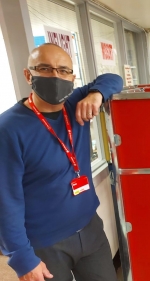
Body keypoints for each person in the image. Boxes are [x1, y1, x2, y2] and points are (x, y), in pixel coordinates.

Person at [0, 43, 123, 281]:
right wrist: (22, 259)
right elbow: (6, 201)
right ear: (28, 75)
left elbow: (113, 78)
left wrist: (96, 94)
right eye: (45, 68)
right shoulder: (8, 129)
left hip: (90, 229)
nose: (55, 76)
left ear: (72, 76)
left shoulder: (76, 104)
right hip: (45, 244)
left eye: (63, 70)